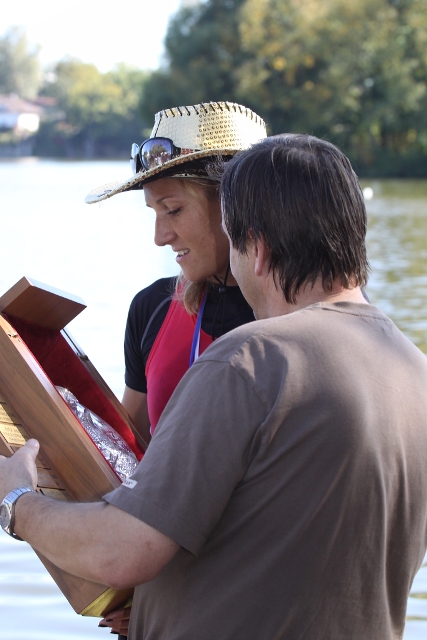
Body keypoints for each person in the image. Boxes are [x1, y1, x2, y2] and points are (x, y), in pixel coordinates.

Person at [2, 134, 427, 640]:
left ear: (257, 248)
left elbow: (121, 551)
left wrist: (18, 502)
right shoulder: (414, 371)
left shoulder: (250, 361)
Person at [86, 101, 267, 448]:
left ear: (235, 204)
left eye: (173, 209)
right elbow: (127, 451)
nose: (160, 237)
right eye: (154, 212)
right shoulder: (151, 306)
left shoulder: (298, 315)